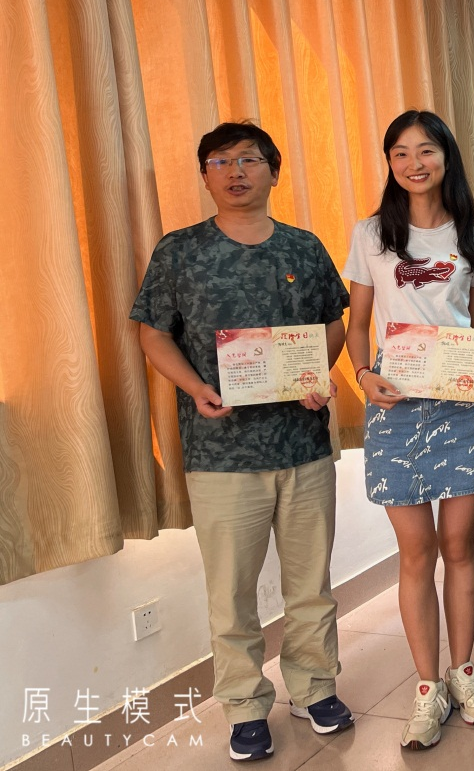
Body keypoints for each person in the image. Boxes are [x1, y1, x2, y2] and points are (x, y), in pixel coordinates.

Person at [131, 122, 353, 763]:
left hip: (302, 445)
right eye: (219, 161)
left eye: (249, 159)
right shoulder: (180, 251)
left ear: (273, 172)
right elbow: (152, 333)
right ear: (205, 175)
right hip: (221, 452)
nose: (234, 171)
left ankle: (316, 689)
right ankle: (245, 706)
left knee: (311, 583)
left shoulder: (303, 246)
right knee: (230, 593)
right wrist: (196, 387)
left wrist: (316, 375)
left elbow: (333, 322)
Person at [343, 109, 474, 751]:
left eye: (426, 150)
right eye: (401, 153)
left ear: (446, 157)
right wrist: (362, 374)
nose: (414, 163)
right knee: (416, 552)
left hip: (458, 407)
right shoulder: (371, 234)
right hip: (395, 405)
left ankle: (463, 674)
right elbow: (358, 323)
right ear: (390, 162)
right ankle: (427, 686)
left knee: (459, 544)